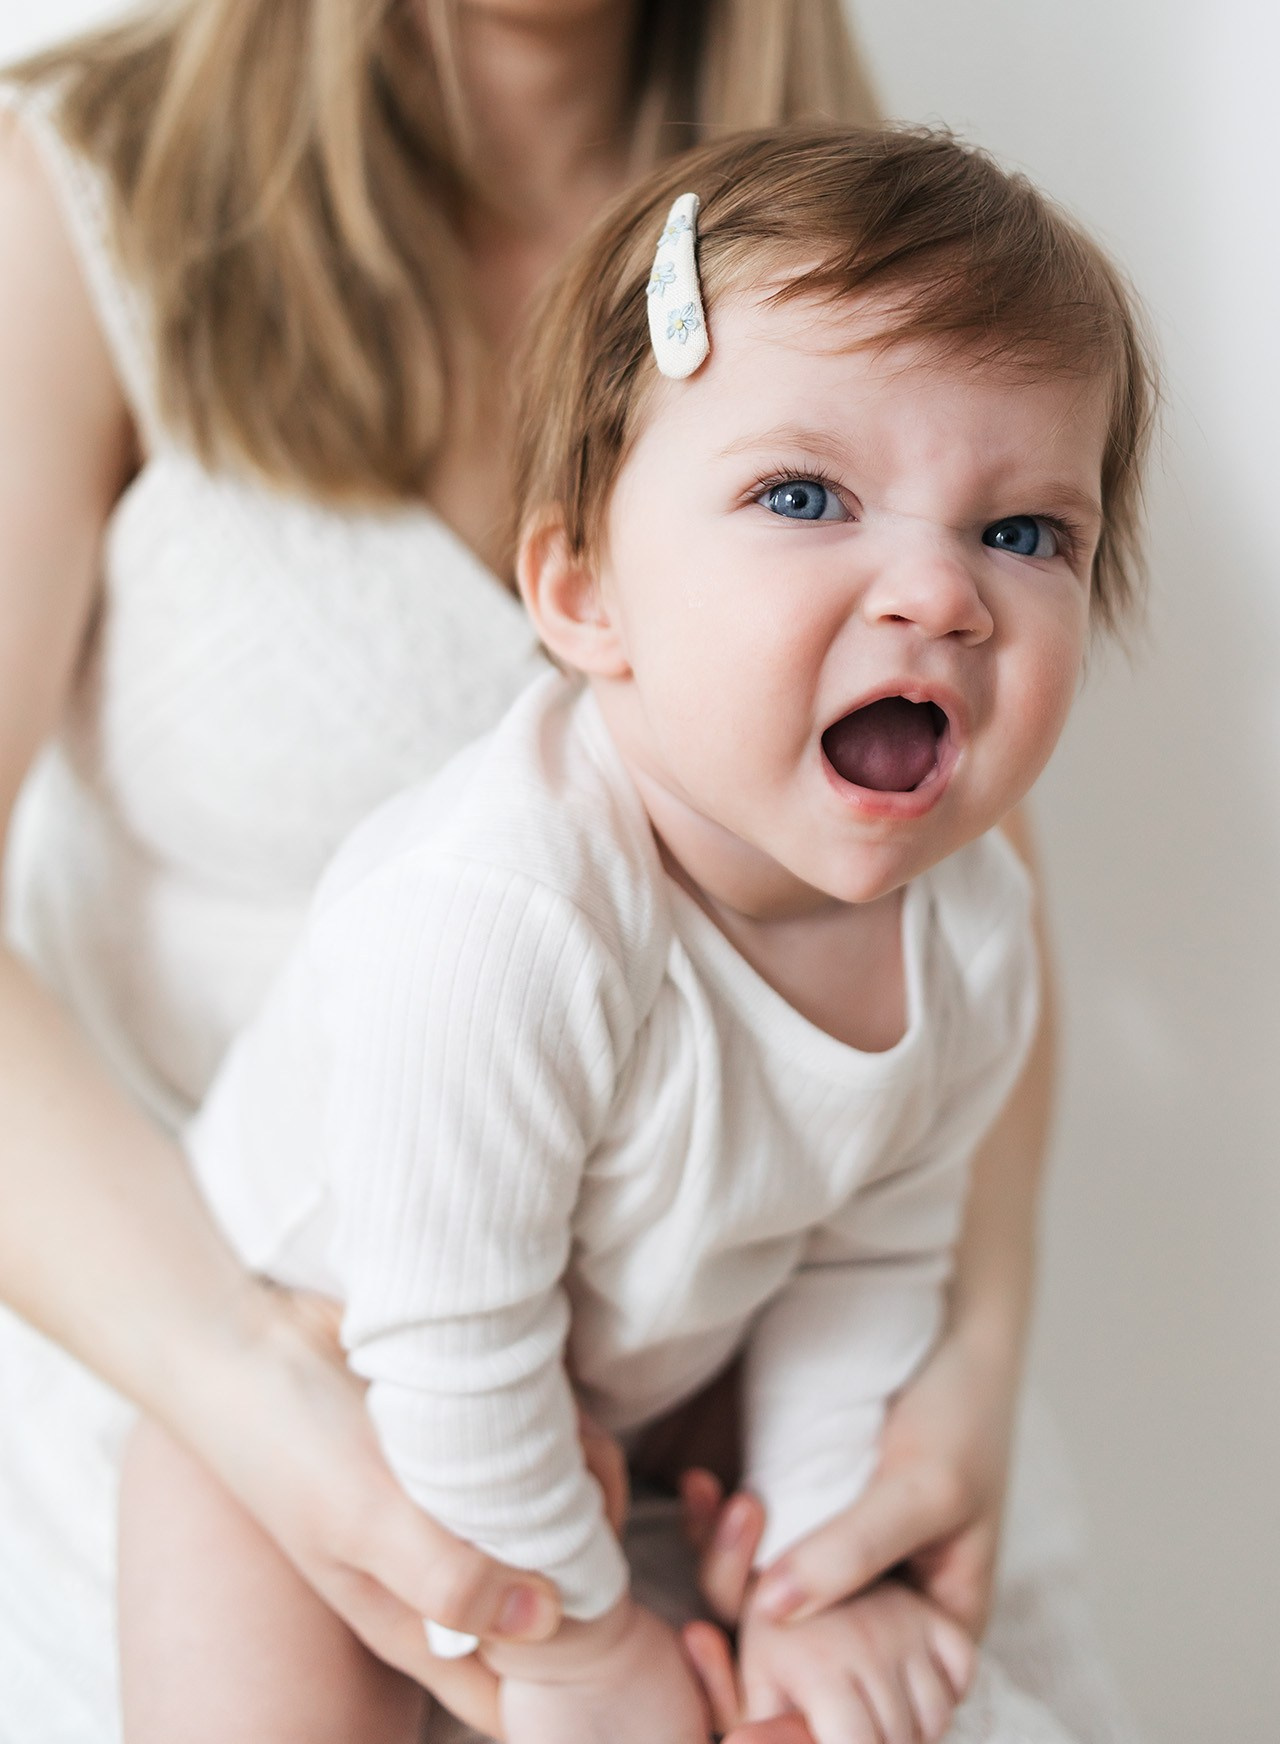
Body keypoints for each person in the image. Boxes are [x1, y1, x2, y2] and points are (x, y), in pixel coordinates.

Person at [0, 4, 1140, 1741]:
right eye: (807, 497)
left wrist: (815, 1563)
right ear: (581, 596)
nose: (941, 593)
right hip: (310, 1359)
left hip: (671, 1363)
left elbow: (869, 1252)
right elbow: (441, 1348)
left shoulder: (965, 934)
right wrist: (575, 1643)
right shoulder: (506, 915)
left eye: (1022, 534)